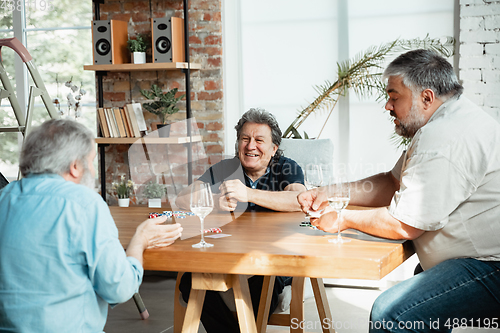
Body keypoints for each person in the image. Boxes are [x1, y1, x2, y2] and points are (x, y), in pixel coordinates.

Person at [299, 49, 500, 332]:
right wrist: (332, 192)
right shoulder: (448, 120)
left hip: (490, 267)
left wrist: (342, 218)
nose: (387, 106)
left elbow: (405, 225)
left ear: (426, 97)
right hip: (469, 259)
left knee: (391, 314)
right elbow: (392, 182)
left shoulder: (445, 137)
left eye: (394, 97)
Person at [0, 119, 183, 332]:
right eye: (91, 162)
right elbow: (120, 288)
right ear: (75, 166)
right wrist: (139, 241)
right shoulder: (84, 203)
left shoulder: (4, 198)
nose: (94, 173)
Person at [176, 108, 306, 332]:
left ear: (274, 148)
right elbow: (183, 198)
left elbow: (300, 200)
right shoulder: (226, 168)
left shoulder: (286, 167)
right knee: (189, 280)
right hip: (229, 256)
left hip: (272, 258)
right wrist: (215, 201)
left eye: (259, 140)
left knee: (268, 280)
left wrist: (249, 194)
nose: (250, 146)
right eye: (244, 139)